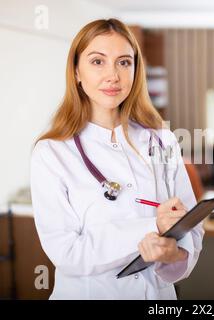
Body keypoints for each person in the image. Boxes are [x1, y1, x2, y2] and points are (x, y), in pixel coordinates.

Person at [30, 18, 204, 300]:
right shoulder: (52, 153)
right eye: (98, 62)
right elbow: (68, 253)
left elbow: (192, 229)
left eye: (124, 62)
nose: (113, 75)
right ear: (76, 71)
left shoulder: (162, 138)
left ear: (136, 70)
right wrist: (152, 227)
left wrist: (174, 255)